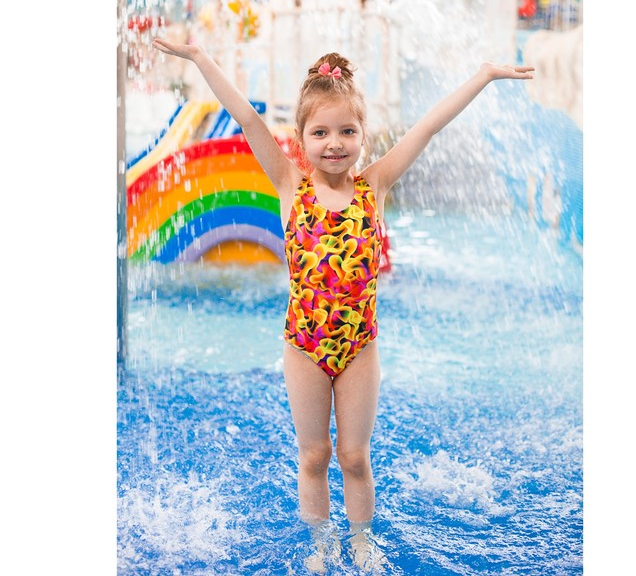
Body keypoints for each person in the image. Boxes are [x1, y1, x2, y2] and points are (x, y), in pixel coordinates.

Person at [152, 37, 534, 572]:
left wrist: (484, 75)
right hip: (304, 347)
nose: (335, 144)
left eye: (347, 132)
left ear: (363, 136)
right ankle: (320, 544)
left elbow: (427, 127)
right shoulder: (289, 183)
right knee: (315, 455)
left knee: (355, 457)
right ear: (301, 138)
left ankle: (361, 541)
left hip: (359, 348)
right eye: (321, 132)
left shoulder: (374, 186)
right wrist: (199, 57)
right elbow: (245, 116)